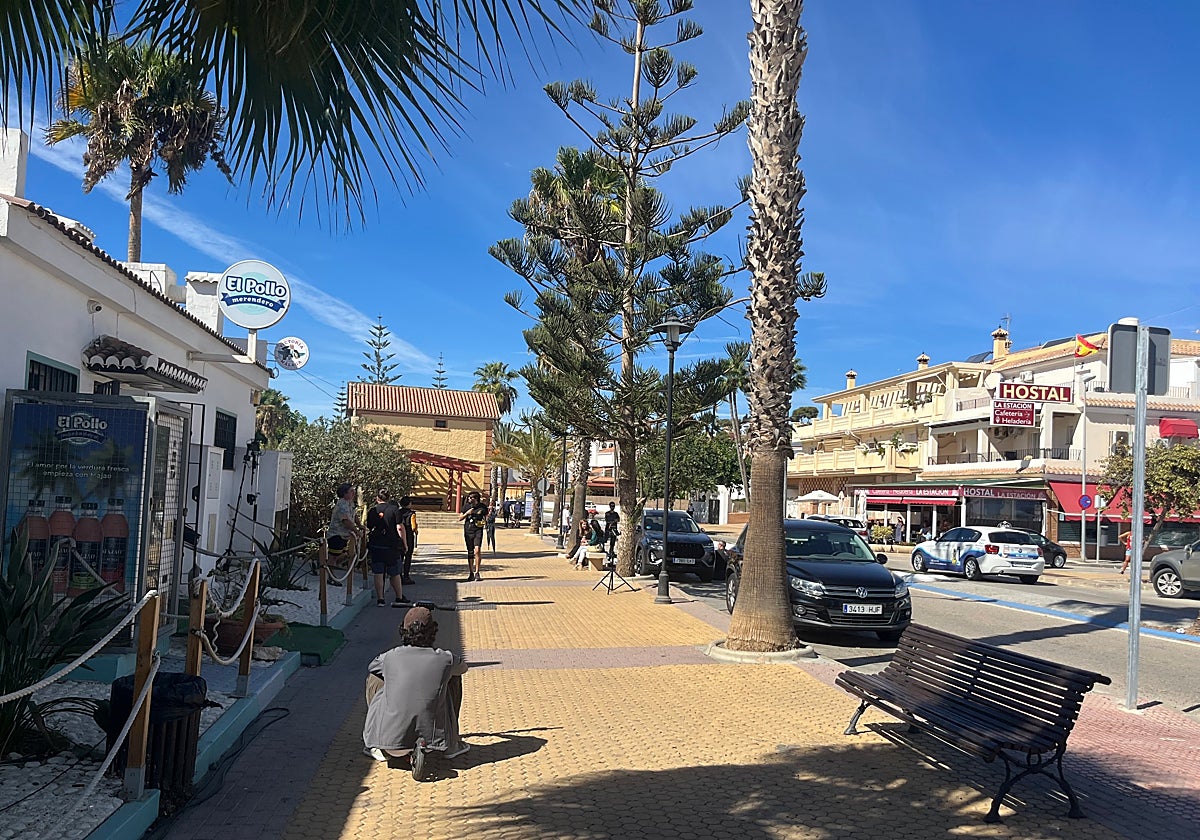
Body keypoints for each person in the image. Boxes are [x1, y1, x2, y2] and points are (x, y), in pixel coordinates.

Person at [363, 606, 469, 763]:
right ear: (432, 632)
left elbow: (372, 667)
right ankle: (452, 743)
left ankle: (377, 741)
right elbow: (463, 668)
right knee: (454, 678)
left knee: (375, 677)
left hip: (392, 745)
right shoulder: (445, 658)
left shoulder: (390, 656)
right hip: (435, 741)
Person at [366, 490, 408, 608]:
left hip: (376, 545)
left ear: (377, 498)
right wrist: (405, 543)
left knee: (378, 572)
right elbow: (400, 527)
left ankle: (380, 599)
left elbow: (370, 527)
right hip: (391, 545)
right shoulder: (394, 510)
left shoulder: (372, 511)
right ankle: (399, 596)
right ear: (389, 498)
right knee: (394, 573)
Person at [457, 491, 489, 581]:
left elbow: (487, 516)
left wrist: (486, 522)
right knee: (470, 552)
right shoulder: (466, 506)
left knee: (477, 550)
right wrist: (467, 513)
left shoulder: (482, 507)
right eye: (469, 497)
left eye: (471, 497)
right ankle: (471, 572)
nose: (469, 499)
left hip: (478, 530)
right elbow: (460, 518)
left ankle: (477, 572)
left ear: (476, 499)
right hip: (468, 530)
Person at [396, 495, 418, 586]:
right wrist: (416, 530)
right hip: (408, 536)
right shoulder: (412, 514)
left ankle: (399, 576)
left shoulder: (398, 512)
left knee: (400, 557)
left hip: (399, 536)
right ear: (409, 504)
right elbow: (413, 527)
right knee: (408, 557)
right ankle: (406, 576)